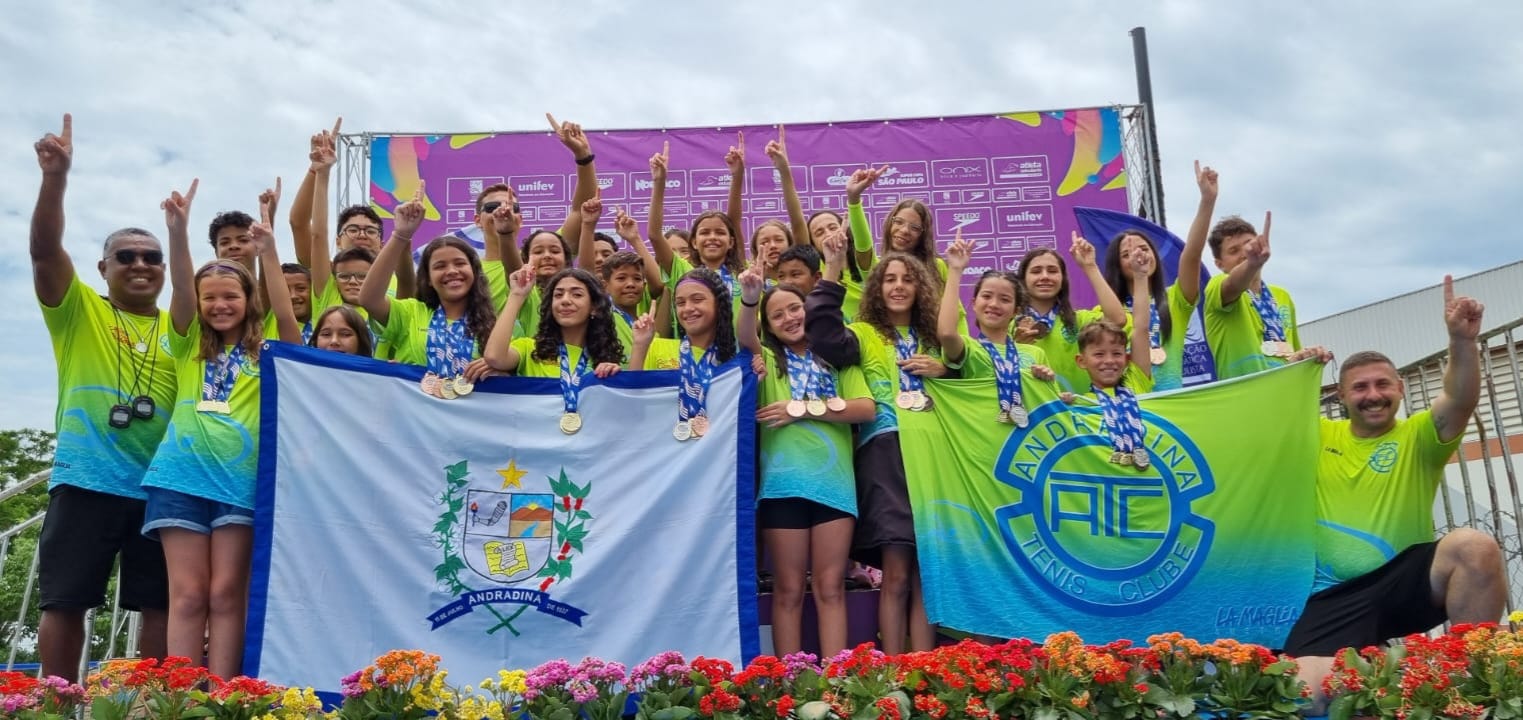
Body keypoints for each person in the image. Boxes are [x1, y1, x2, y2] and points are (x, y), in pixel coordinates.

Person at [1286, 276, 1506, 710]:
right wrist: (1291, 374)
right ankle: (1384, 669)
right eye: (1360, 388)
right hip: (1331, 596)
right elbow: (1262, 420)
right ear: (1342, 396)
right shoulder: (1314, 433)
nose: (1373, 395)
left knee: (1474, 546)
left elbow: (1459, 400)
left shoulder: (1418, 436)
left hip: (1403, 585)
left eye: (1383, 384)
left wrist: (1461, 341)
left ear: (1400, 389)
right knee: (1305, 694)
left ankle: (1470, 685)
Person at [29, 113, 173, 681]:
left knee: (158, 605)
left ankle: (152, 704)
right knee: (64, 601)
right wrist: (55, 178)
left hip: (159, 486)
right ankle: (57, 703)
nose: (140, 264)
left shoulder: (182, 327)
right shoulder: (78, 311)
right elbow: (43, 251)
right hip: (84, 478)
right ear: (102, 268)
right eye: (126, 256)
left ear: (164, 270)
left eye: (151, 257)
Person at [142, 178, 302, 680]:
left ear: (246, 297)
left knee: (226, 594)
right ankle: (182, 699)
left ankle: (224, 695)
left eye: (230, 295)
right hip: (179, 476)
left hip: (240, 482)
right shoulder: (188, 340)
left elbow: (286, 316)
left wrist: (270, 251)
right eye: (210, 297)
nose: (219, 305)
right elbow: (183, 292)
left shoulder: (269, 344)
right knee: (187, 596)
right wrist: (178, 230)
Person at [806, 234, 948, 654]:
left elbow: (968, 375)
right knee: (898, 571)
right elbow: (824, 335)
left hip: (935, 455)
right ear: (877, 289)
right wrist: (832, 266)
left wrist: (942, 368)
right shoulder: (864, 333)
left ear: (922, 288)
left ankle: (923, 671)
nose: (899, 286)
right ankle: (894, 670)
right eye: (889, 279)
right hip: (885, 452)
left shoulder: (935, 339)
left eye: (907, 278)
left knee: (928, 573)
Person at [736, 266, 875, 658]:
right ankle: (790, 682)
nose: (789, 318)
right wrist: (749, 297)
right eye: (777, 315)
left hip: (834, 486)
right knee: (789, 589)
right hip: (782, 488)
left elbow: (865, 408)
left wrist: (802, 410)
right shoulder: (763, 362)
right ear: (769, 327)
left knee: (830, 587)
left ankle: (836, 682)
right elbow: (745, 336)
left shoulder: (838, 359)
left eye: (795, 308)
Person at [361, 183, 499, 392]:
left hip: (472, 422)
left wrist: (502, 372)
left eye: (460, 263)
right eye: (440, 266)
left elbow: (512, 370)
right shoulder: (410, 312)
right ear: (428, 278)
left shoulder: (496, 324)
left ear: (475, 272)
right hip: (415, 420)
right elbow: (369, 299)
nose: (452, 271)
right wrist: (401, 235)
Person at [938, 232, 1056, 420]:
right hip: (982, 443)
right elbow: (946, 333)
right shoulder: (969, 349)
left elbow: (1052, 404)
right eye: (986, 296)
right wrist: (955, 270)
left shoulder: (1035, 353)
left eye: (1004, 299)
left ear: (1016, 310)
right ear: (974, 303)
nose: (993, 304)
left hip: (1025, 444)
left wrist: (1047, 381)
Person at [1014, 234, 1127, 393]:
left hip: (1080, 410)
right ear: (1023, 279)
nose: (1045, 276)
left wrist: (1090, 266)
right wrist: (1016, 347)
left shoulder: (1079, 321)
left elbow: (1117, 320)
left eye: (1052, 271)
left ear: (1062, 280)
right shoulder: (1009, 325)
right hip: (1035, 411)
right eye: (1036, 271)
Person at [1202, 207, 1300, 380]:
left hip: (1284, 394)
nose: (1245, 253)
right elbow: (1232, 285)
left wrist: (1308, 356)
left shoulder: (1282, 296)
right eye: (1234, 251)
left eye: (1249, 244)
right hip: (1244, 399)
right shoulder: (1216, 286)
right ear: (1220, 264)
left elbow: (1294, 353)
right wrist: (1252, 264)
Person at [483, 265, 624, 381]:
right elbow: (494, 357)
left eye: (577, 294)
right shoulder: (530, 348)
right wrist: (517, 294)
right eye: (558, 295)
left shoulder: (605, 359)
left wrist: (612, 376)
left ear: (594, 308)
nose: (565, 300)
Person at [308, 305, 375, 357]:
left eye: (345, 334)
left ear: (360, 341)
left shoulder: (374, 374)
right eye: (326, 334)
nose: (334, 341)